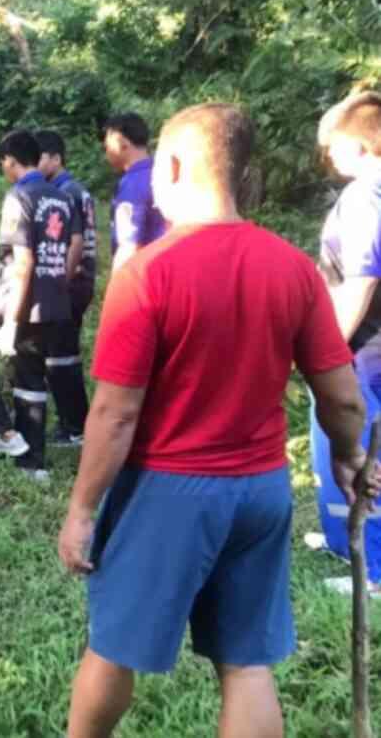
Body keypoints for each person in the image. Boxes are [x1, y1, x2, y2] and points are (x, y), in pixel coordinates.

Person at [57, 103, 377, 738]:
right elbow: (343, 397)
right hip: (261, 492)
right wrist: (349, 457)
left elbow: (115, 413)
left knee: (113, 644)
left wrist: (82, 510)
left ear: (173, 167)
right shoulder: (292, 269)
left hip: (169, 490)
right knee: (246, 663)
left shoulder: (148, 274)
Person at [0, 130, 74, 482]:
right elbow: (67, 252)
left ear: (10, 160)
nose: (3, 169)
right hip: (51, 301)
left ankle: (3, 433)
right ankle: (32, 464)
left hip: (12, 298)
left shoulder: (19, 195)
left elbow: (22, 261)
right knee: (30, 375)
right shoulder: (60, 197)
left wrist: (10, 322)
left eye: (3, 163)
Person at [310, 90, 381, 588]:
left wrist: (324, 349)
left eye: (333, 146)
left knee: (360, 450)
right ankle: (341, 539)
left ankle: (373, 570)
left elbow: (360, 280)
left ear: (359, 145)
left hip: (365, 350)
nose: (327, 157)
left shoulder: (363, 196)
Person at [36, 129, 96, 447]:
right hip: (77, 282)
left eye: (40, 158)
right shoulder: (72, 189)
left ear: (56, 159)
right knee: (61, 352)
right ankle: (74, 423)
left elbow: (73, 244)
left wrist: (60, 282)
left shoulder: (65, 193)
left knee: (61, 356)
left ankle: (74, 428)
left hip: (70, 283)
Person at [102, 112, 166, 273]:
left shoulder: (132, 184)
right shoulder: (165, 173)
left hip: (146, 275)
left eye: (107, 146)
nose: (106, 153)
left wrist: (116, 288)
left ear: (122, 143)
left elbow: (129, 245)